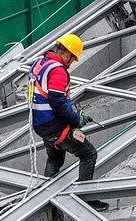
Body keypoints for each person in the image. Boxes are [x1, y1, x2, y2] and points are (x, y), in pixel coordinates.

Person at [29, 33, 108, 211]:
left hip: (41, 125)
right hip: (56, 127)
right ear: (68, 54)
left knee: (54, 160)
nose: (71, 63)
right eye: (72, 59)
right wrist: (76, 120)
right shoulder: (58, 70)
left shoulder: (40, 64)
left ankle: (46, 201)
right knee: (88, 154)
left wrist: (71, 113)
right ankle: (85, 198)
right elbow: (56, 102)